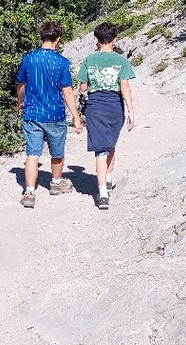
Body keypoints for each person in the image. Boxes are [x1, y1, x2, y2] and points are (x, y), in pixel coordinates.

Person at [15, 21, 83, 208]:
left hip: (32, 113)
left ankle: (29, 192)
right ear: (58, 39)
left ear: (41, 36)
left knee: (32, 154)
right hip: (55, 114)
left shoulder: (29, 59)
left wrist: (20, 101)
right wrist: (76, 117)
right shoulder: (62, 62)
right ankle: (55, 183)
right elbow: (67, 91)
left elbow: (21, 84)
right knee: (57, 153)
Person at [77, 22, 136, 210]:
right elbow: (124, 86)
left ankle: (102, 194)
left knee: (100, 150)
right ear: (115, 39)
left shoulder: (89, 59)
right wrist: (131, 110)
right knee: (110, 143)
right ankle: (108, 179)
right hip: (115, 105)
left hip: (95, 105)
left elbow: (82, 86)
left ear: (96, 39)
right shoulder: (121, 61)